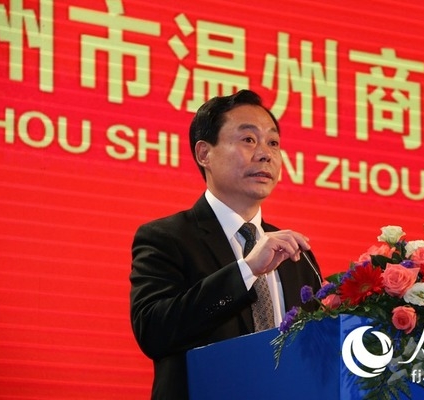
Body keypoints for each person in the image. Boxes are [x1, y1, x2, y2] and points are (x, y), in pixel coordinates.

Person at [129, 89, 322, 399]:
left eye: (273, 143)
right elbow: (154, 332)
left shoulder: (296, 253)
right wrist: (247, 270)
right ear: (204, 153)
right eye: (249, 139)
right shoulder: (167, 238)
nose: (265, 154)